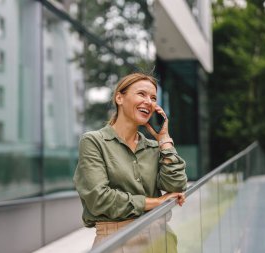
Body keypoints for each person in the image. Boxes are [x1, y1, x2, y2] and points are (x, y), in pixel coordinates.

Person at [73, 72, 187, 252]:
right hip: (117, 241)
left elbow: (176, 186)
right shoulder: (93, 142)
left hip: (160, 236)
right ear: (119, 97)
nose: (149, 102)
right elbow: (99, 199)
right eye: (141, 94)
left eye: (153, 98)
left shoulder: (153, 148)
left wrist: (164, 140)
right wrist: (156, 202)